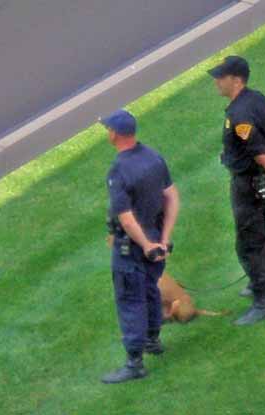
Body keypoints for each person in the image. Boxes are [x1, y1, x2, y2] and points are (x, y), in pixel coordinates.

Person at [208, 56, 265, 325]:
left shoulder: (239, 113)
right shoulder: (258, 99)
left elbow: (258, 152)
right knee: (261, 234)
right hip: (262, 181)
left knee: (248, 243)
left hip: (249, 184)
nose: (216, 81)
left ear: (237, 80)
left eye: (221, 76)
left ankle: (262, 300)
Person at [100, 109, 179, 383]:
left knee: (130, 300)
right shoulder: (153, 157)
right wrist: (163, 239)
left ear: (114, 134)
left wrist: (145, 244)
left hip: (133, 247)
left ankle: (134, 363)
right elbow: (172, 197)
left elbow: (125, 216)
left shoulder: (119, 170)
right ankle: (153, 341)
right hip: (157, 239)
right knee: (150, 292)